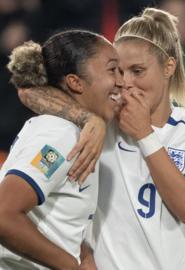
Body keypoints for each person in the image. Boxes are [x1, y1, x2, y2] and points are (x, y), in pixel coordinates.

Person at [16, 8, 185, 270]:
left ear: (169, 66)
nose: (125, 82)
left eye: (137, 70)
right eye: (118, 71)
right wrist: (87, 118)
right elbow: (29, 91)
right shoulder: (102, 120)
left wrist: (144, 134)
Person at [0, 30, 123, 269]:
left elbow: (53, 220)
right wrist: (69, 265)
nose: (121, 81)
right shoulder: (61, 134)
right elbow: (4, 215)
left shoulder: (76, 132)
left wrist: (82, 254)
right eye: (112, 70)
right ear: (75, 82)